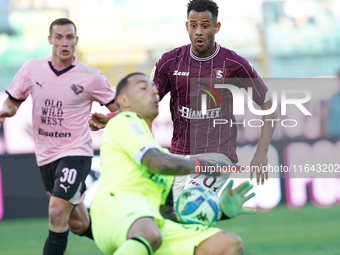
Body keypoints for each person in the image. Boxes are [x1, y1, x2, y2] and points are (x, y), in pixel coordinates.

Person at [89, 0, 277, 204]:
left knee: (190, 205)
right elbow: (143, 105)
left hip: (217, 156)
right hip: (179, 157)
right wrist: (112, 118)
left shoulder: (234, 64)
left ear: (216, 27)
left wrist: (261, 153)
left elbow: (268, 105)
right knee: (175, 218)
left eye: (205, 26)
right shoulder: (170, 61)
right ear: (187, 26)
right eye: (193, 25)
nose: (198, 31)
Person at [90, 72, 256, 255]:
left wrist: (219, 211)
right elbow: (157, 163)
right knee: (148, 231)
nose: (153, 92)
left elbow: (168, 213)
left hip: (152, 221)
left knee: (227, 244)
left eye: (154, 88)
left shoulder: (163, 154)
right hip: (114, 209)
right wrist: (204, 165)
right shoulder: (124, 122)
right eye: (143, 88)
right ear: (123, 101)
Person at [0, 18, 117, 255]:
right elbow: (12, 103)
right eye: (59, 37)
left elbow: (123, 108)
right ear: (50, 39)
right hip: (45, 157)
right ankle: (129, 242)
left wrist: (109, 118)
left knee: (55, 213)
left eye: (69, 37)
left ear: (76, 40)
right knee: (78, 224)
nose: (65, 42)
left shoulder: (90, 76)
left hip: (76, 154)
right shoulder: (32, 68)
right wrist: (4, 111)